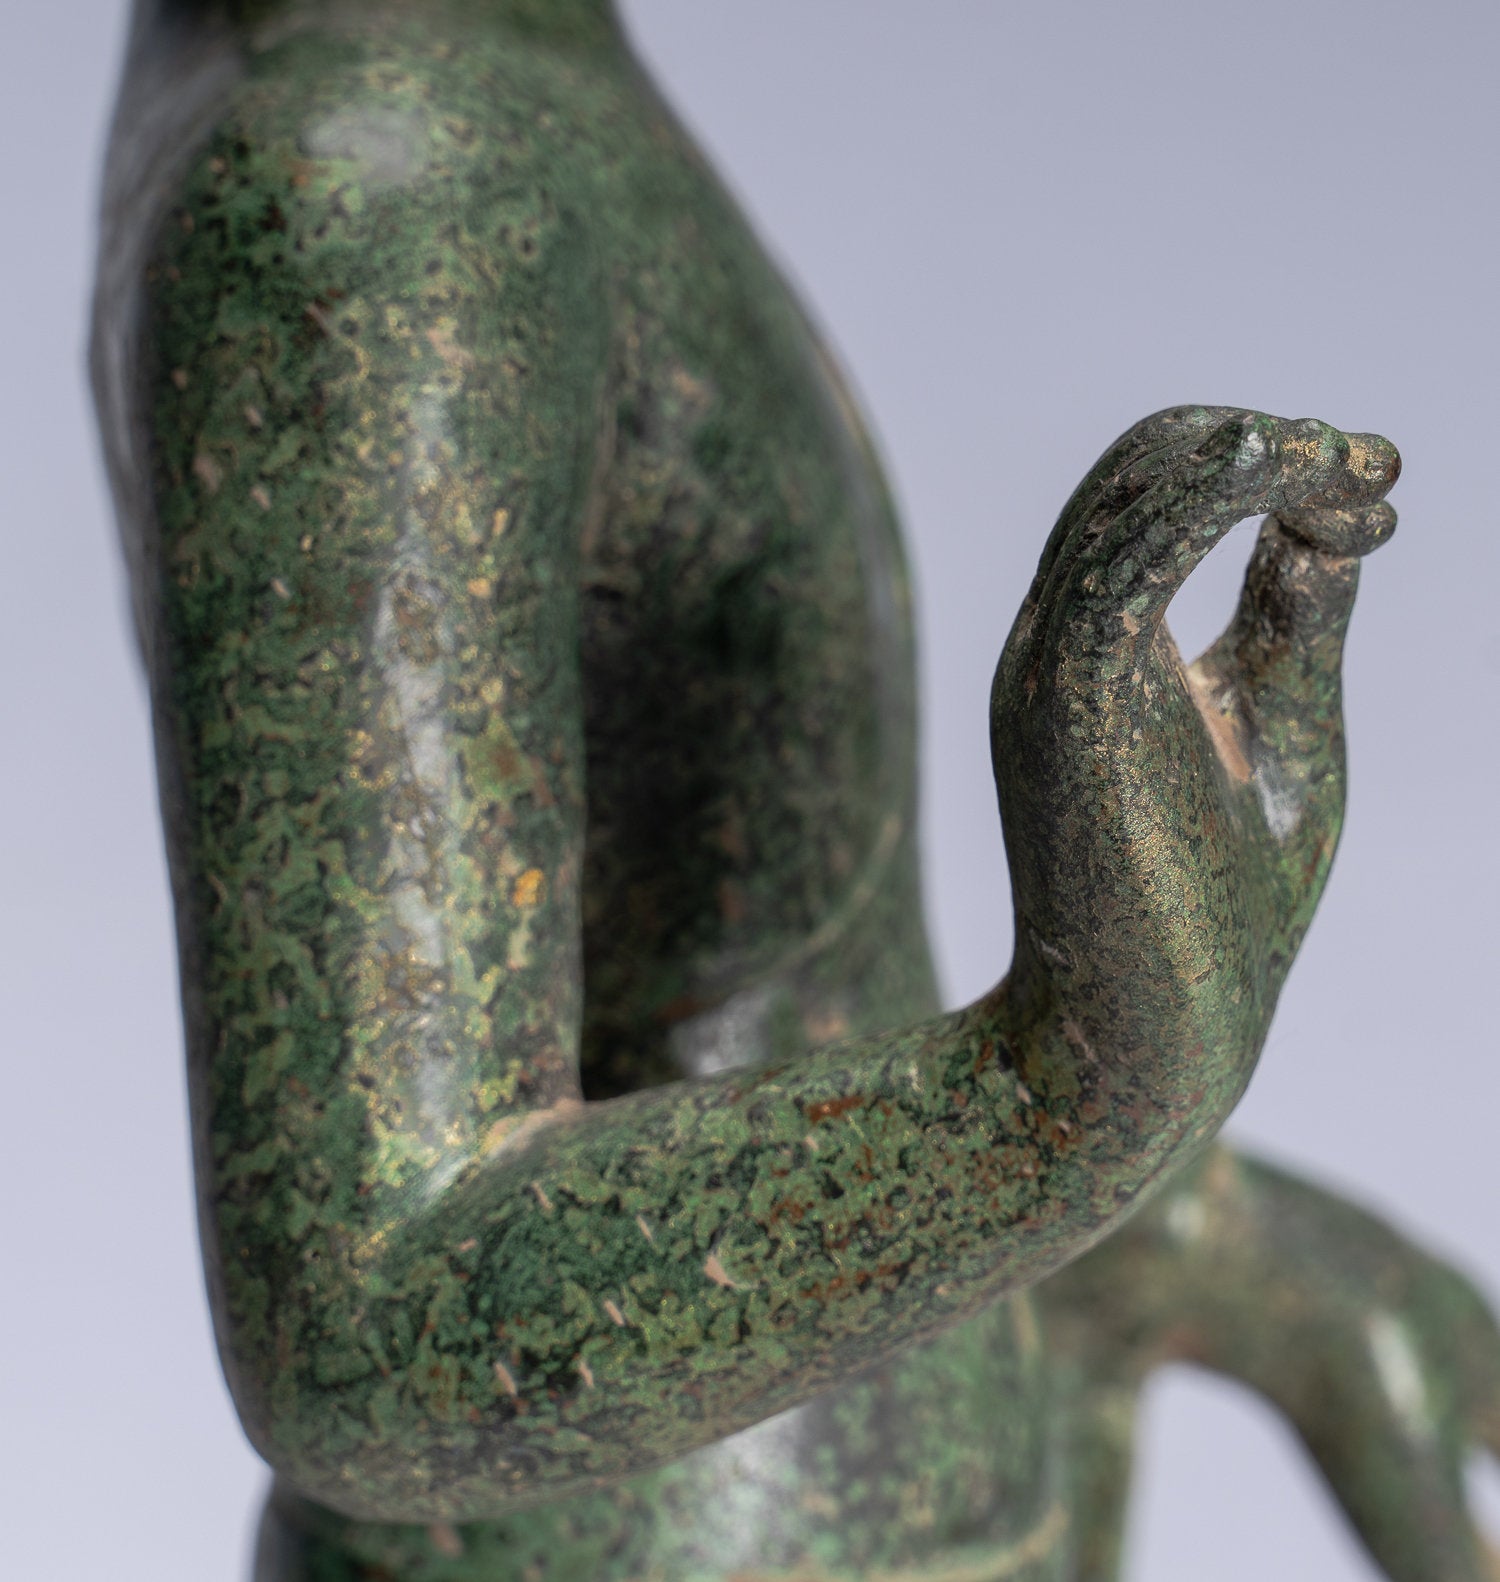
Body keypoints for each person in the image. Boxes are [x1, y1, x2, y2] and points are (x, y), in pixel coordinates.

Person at [93, 2, 1499, 1576]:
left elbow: (745, 987)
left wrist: (1161, 1212)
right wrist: (1072, 1104)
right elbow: (360, 1332)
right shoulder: (381, 198)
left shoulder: (488, 106)